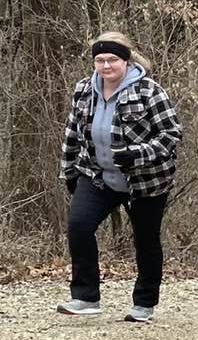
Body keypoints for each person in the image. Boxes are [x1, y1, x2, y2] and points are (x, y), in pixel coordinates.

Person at [58, 32, 182, 322]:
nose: (106, 66)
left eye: (112, 59)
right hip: (98, 174)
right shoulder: (84, 90)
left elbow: (171, 134)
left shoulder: (149, 91)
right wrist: (70, 171)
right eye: (99, 60)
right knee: (78, 226)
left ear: (126, 61)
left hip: (146, 180)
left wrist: (138, 153)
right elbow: (72, 132)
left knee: (146, 240)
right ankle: (86, 297)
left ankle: (144, 303)